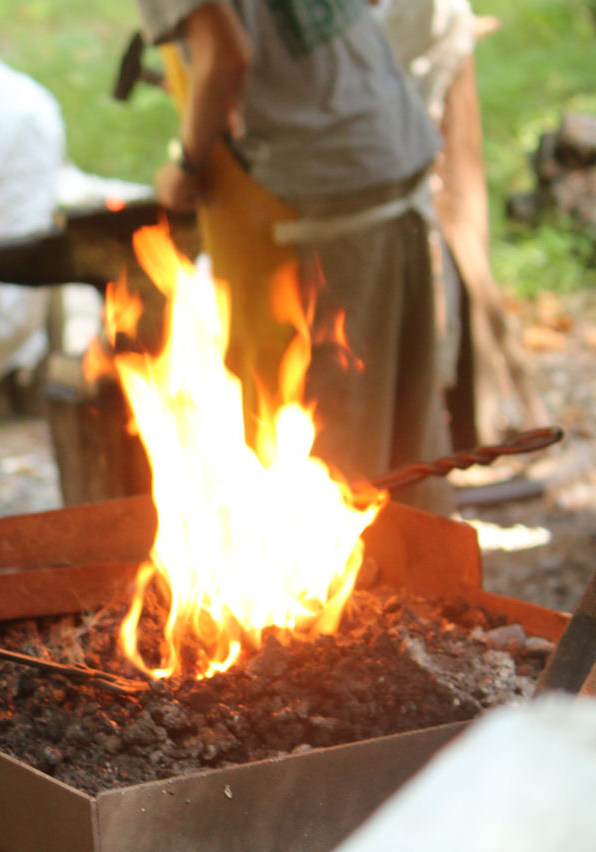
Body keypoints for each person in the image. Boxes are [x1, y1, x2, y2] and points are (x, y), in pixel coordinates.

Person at [137, 0, 456, 513]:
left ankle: (350, 594)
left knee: (325, 463)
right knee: (411, 446)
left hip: (315, 194)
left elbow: (225, 56)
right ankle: (434, 588)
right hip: (391, 149)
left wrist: (187, 163)